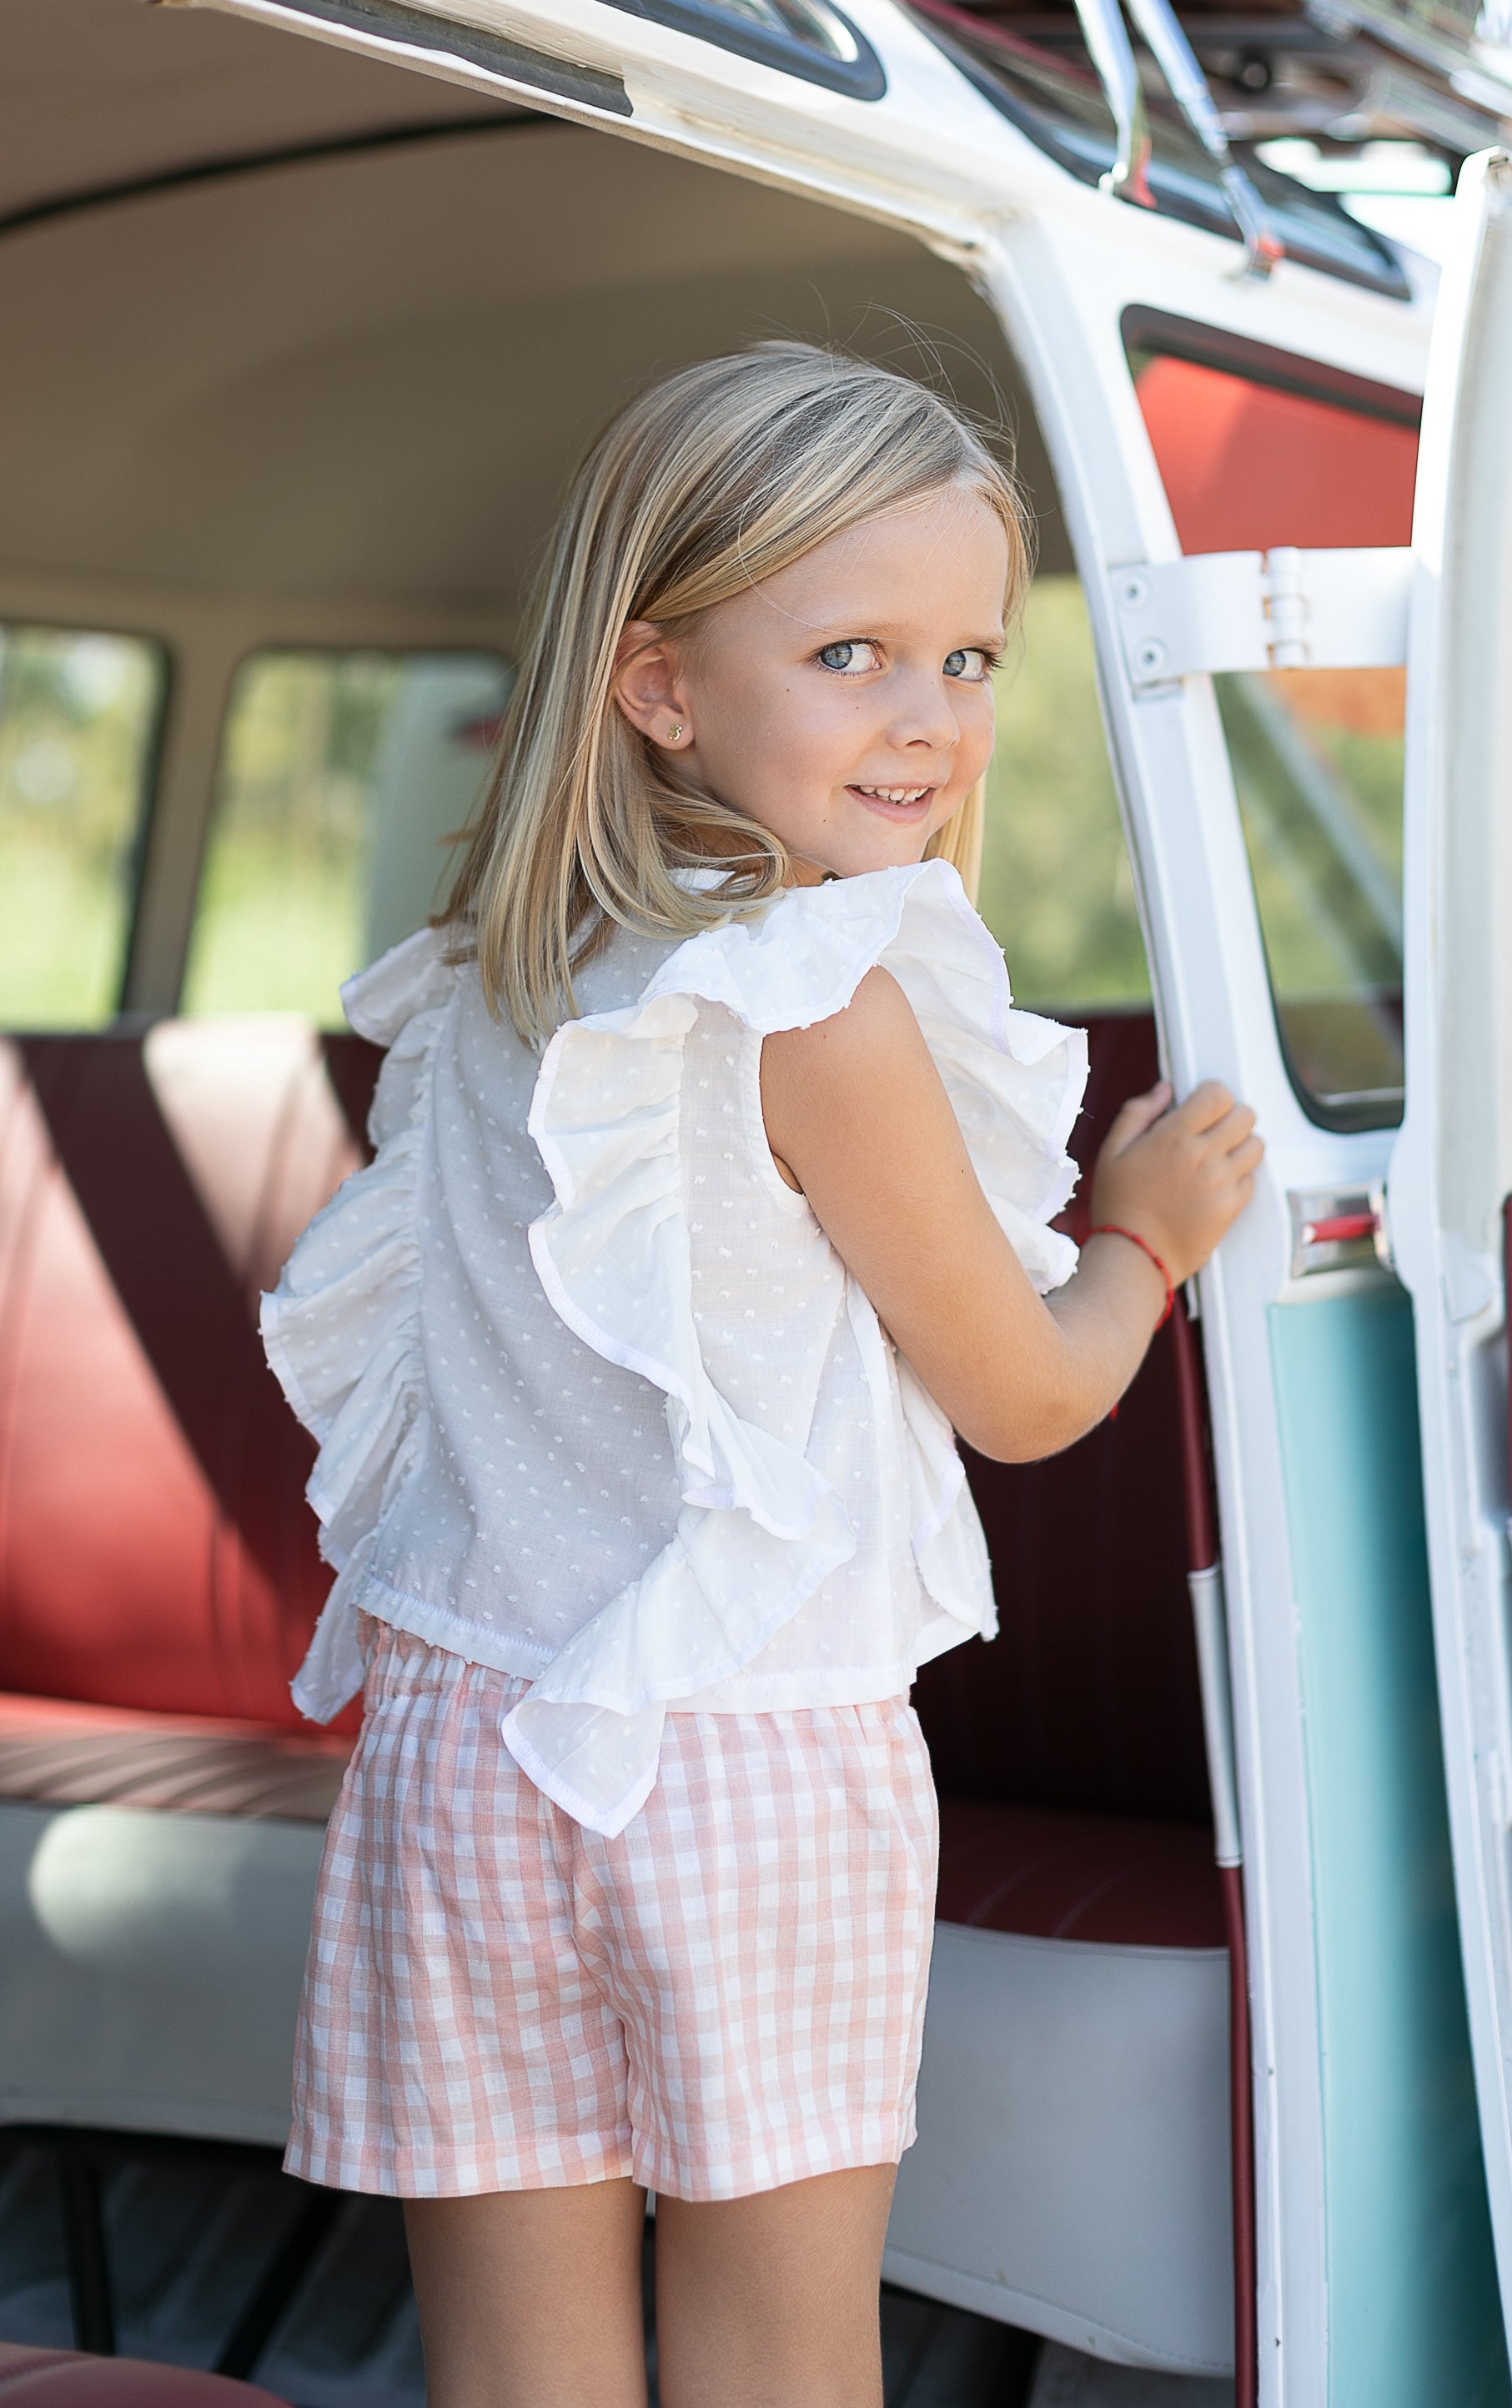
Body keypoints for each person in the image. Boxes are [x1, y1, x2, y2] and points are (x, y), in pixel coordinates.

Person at [262, 343, 1260, 2408]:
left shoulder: (485, 980)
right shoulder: (817, 998)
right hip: (743, 1760)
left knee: (518, 2367)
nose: (929, 720)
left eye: (974, 659)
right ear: (659, 684)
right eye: (855, 651)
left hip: (466, 1736)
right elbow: (1023, 1392)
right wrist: (1144, 1236)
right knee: (775, 2356)